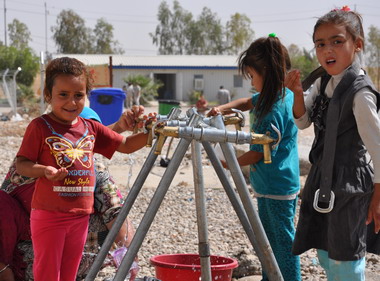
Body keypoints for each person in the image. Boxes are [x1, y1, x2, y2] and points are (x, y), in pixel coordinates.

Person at [13, 57, 152, 281]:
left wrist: (152, 132)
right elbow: (22, 164)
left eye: (79, 95)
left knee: (70, 273)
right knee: (47, 273)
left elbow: (125, 145)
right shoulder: (40, 127)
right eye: (63, 95)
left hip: (80, 218)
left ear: (86, 95)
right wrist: (44, 170)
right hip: (50, 216)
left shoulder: (90, 128)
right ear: (48, 95)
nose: (72, 102)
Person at [286, 6, 380, 280]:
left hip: (349, 182)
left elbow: (377, 147)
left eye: (337, 42)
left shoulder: (360, 94)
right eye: (321, 44)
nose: (328, 50)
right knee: (326, 252)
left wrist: (378, 195)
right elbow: (303, 123)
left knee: (346, 258)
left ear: (357, 45)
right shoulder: (323, 81)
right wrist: (296, 94)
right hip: (322, 179)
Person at [0, 107, 141, 281]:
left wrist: (129, 266)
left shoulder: (89, 164)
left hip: (73, 255)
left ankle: (126, 263)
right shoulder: (34, 162)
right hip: (22, 257)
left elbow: (92, 138)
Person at [207, 34, 300, 281]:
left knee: (283, 242)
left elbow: (259, 153)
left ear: (266, 72)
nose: (251, 82)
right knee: (267, 240)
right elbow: (247, 102)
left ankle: (289, 279)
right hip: (269, 185)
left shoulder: (276, 107)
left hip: (278, 186)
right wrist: (223, 109)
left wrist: (231, 163)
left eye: (252, 76)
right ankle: (270, 277)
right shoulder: (273, 96)